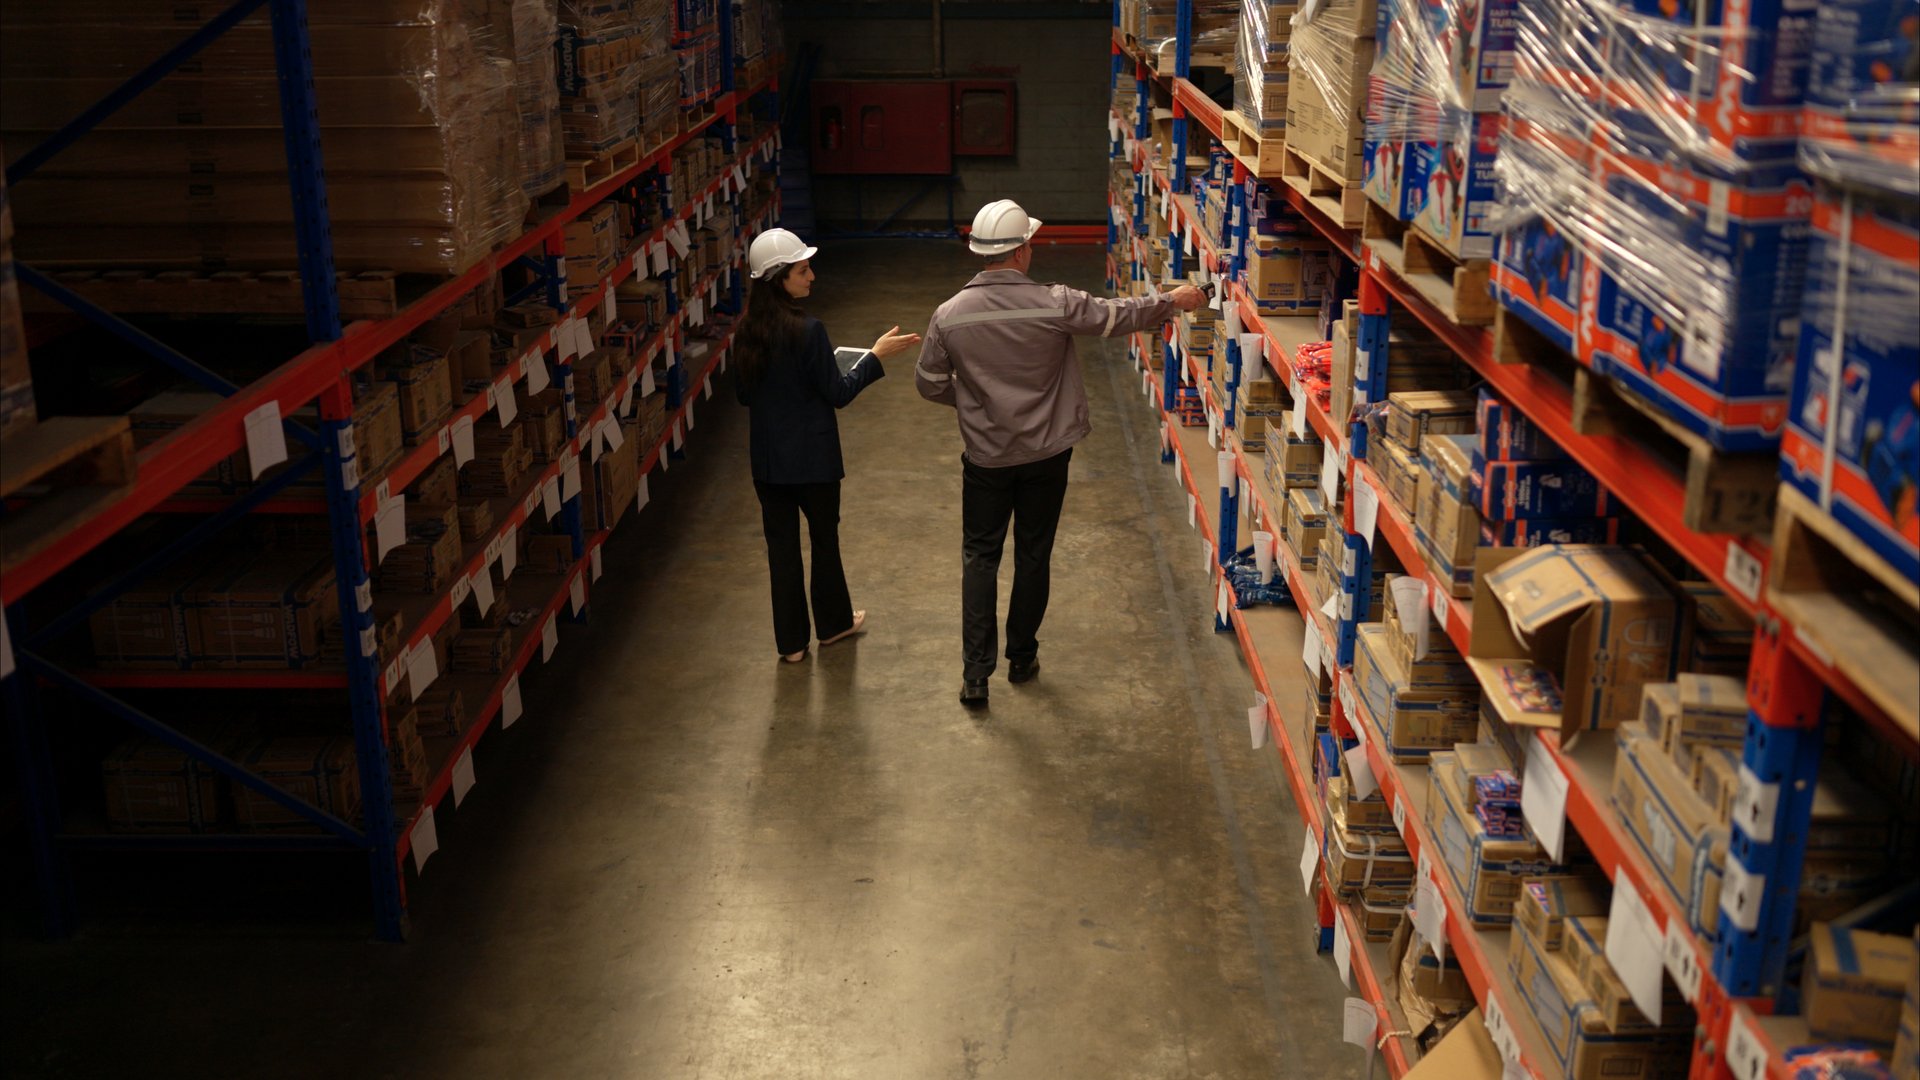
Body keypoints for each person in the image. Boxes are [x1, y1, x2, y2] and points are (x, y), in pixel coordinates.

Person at [915, 199, 1206, 707]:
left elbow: (929, 383)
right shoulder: (1054, 303)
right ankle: (1021, 657)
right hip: (1047, 455)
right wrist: (1173, 300)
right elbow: (1117, 316)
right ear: (1023, 251)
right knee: (1033, 554)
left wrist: (978, 403)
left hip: (986, 459)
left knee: (980, 558)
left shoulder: (948, 316)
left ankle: (975, 675)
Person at [734, 228, 921, 663]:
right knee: (823, 542)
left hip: (768, 464)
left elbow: (745, 395)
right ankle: (834, 625)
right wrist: (874, 357)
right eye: (803, 270)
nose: (812, 276)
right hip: (814, 463)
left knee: (781, 551)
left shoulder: (746, 332)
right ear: (779, 278)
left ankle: (791, 645)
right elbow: (837, 393)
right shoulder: (809, 330)